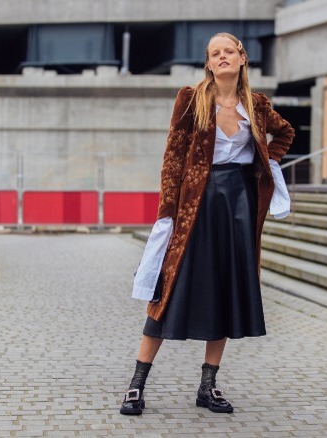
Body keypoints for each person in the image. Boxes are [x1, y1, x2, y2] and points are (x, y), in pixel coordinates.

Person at [120, 32, 295, 415]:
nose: (222, 57)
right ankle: (136, 385)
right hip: (194, 207)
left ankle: (208, 386)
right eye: (214, 53)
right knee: (168, 292)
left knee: (225, 291)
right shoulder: (191, 99)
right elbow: (172, 160)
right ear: (209, 63)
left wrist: (268, 162)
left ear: (242, 58)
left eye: (228, 51)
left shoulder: (258, 105)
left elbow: (285, 133)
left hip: (238, 205)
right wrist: (167, 211)